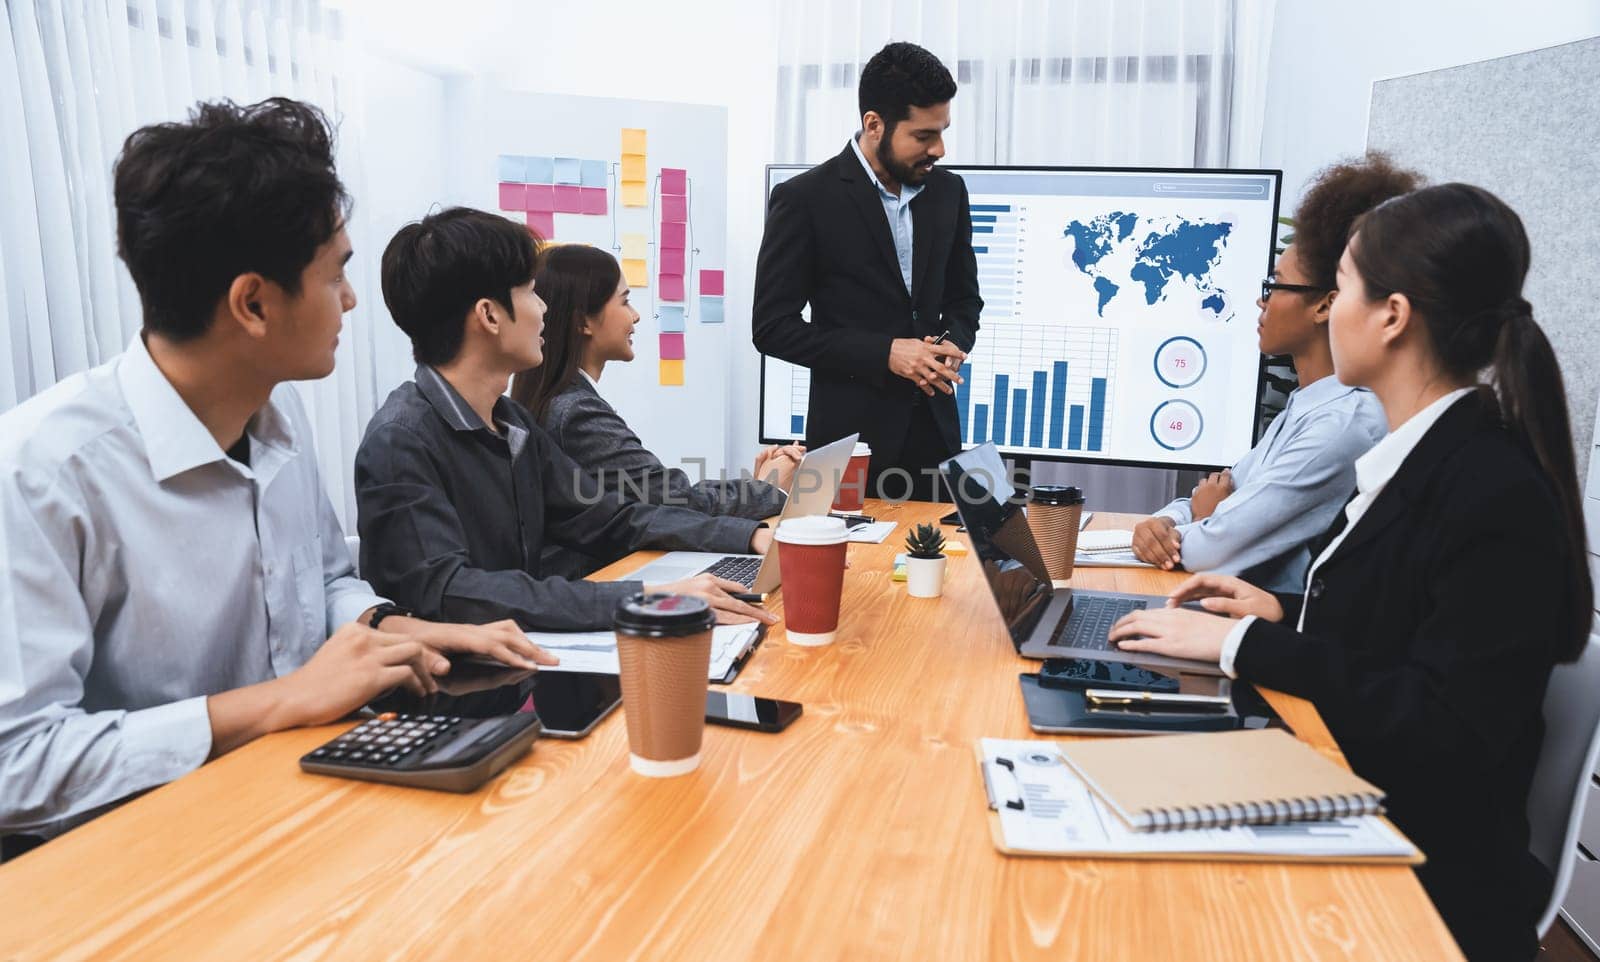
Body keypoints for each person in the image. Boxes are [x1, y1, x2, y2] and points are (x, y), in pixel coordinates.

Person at [0, 99, 552, 854]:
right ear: (253, 303)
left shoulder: (276, 418)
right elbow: (16, 764)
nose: (353, 300)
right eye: (336, 276)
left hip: (297, 806)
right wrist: (277, 702)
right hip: (142, 857)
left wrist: (389, 628)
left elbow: (324, 580)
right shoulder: (42, 472)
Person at [1109, 184, 1591, 961]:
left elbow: (1446, 725)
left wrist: (1244, 649)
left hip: (1420, 874)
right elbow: (1403, 632)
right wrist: (1280, 611)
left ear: (1392, 315)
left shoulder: (1490, 488)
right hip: (1360, 799)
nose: (1331, 311)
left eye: (1347, 288)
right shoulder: (1427, 456)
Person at [355, 208, 779, 631]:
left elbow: (612, 519)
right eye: (531, 292)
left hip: (524, 667)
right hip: (468, 689)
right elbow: (455, 591)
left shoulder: (511, 423)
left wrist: (748, 537)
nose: (544, 309)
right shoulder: (401, 441)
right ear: (489, 315)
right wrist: (644, 598)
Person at [1131, 154, 1418, 591]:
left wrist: (1206, 519)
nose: (1262, 301)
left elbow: (1214, 545)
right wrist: (1168, 519)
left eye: (1275, 284)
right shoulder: (1307, 404)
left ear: (1326, 303)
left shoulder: (1344, 425)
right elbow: (1213, 495)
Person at [752, 41, 982, 502]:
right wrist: (886, 353)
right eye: (923, 136)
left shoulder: (949, 192)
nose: (939, 148)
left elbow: (965, 300)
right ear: (874, 124)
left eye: (943, 131)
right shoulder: (804, 200)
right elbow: (772, 328)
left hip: (937, 438)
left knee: (950, 566)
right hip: (847, 445)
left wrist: (954, 341)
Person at [510, 245, 802, 578]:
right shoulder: (576, 412)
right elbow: (672, 500)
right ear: (583, 322)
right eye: (624, 301)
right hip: (600, 581)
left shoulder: (563, 401)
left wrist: (759, 487)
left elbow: (661, 494)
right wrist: (767, 490)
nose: (634, 315)